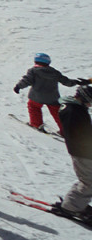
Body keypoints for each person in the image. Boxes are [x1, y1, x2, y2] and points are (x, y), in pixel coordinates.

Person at [15, 54, 84, 132]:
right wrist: (77, 82)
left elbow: (27, 80)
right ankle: (65, 130)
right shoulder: (54, 72)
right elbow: (66, 82)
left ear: (35, 61)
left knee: (34, 107)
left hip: (37, 97)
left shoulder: (33, 71)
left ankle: (36, 124)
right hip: (53, 98)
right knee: (57, 113)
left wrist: (18, 86)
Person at [53, 86, 92, 221]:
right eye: (90, 101)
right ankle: (71, 207)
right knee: (89, 182)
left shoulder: (74, 108)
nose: (90, 105)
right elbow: (76, 134)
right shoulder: (72, 110)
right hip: (82, 151)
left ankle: (74, 203)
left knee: (87, 180)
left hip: (82, 150)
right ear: (84, 98)